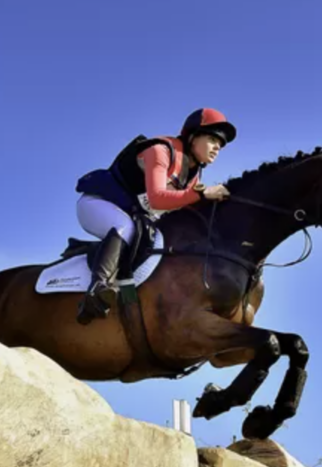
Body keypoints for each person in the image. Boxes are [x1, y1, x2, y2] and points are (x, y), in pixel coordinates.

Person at [73, 108, 237, 325]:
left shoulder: (191, 172)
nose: (218, 147)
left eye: (222, 144)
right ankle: (97, 288)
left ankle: (129, 297)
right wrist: (201, 194)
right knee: (125, 227)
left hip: (133, 215)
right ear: (192, 136)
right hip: (97, 204)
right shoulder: (160, 151)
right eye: (213, 139)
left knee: (157, 243)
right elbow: (158, 199)